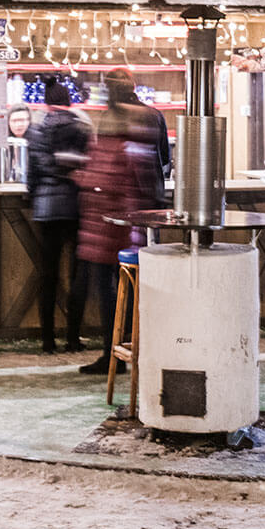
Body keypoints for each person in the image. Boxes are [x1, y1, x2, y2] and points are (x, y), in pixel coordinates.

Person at [73, 101, 162, 374]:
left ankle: (115, 354)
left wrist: (81, 178)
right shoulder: (137, 147)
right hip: (123, 233)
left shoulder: (111, 148)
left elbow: (106, 184)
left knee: (111, 295)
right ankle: (124, 351)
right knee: (124, 293)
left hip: (109, 233)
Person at [25, 81, 91, 353]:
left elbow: (33, 174)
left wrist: (34, 197)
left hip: (47, 210)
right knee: (77, 276)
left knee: (48, 276)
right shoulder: (82, 128)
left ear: (46, 103)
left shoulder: (37, 130)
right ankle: (73, 338)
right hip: (76, 207)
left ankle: (48, 340)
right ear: (69, 102)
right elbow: (88, 167)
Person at [106, 68, 171, 189]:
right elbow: (165, 158)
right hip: (151, 188)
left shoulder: (108, 117)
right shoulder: (155, 115)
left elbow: (106, 160)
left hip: (120, 190)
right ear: (133, 87)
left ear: (110, 90)